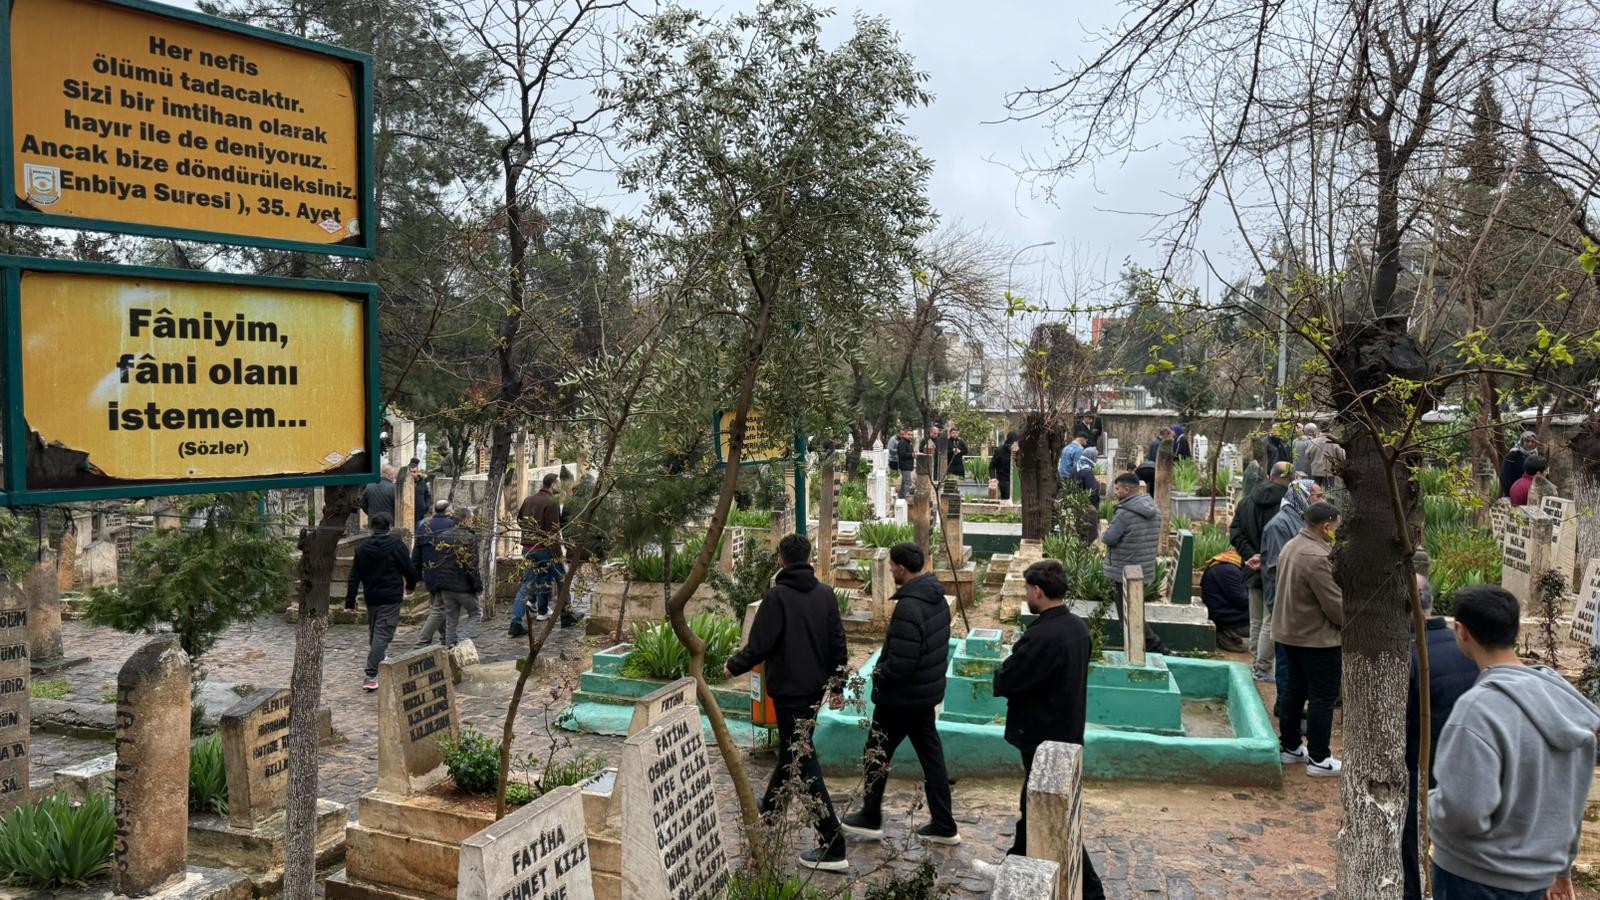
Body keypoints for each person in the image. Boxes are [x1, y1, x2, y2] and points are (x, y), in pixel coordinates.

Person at [1431, 586, 1599, 900]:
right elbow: (1571, 799)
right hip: (1536, 879)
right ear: (1518, 630)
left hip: (1474, 877)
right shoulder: (1566, 704)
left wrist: (1430, 804)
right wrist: (1562, 869)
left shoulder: (1477, 710)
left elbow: (1464, 812)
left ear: (1461, 632)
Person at [971, 560, 1105, 898]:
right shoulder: (1078, 628)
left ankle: (1091, 891)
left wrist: (1002, 672)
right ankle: (1013, 864)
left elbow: (1010, 679)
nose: (1027, 595)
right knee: (1034, 806)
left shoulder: (1043, 636)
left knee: (1048, 813)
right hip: (1067, 731)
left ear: (1038, 591)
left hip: (1042, 736)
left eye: (1028, 590)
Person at [725, 534, 850, 871]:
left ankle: (833, 843)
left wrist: (732, 666)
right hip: (813, 691)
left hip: (788, 691)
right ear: (809, 559)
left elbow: (760, 644)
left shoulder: (777, 597)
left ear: (781, 560)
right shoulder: (825, 595)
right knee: (792, 752)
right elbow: (838, 642)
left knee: (803, 761)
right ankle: (771, 812)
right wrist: (838, 687)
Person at [841, 543, 959, 846]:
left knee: (876, 753)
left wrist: (878, 675)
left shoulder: (909, 606)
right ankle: (944, 824)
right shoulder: (935, 598)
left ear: (902, 569)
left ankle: (870, 817)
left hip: (901, 698)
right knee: (932, 758)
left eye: (892, 565)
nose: (891, 570)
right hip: (924, 695)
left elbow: (902, 662)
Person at [1401, 572, 1477, 900]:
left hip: (1422, 767)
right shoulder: (1466, 649)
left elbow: (1402, 725)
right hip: (1466, 765)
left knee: (1413, 845)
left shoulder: (1407, 656)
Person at [1273, 501, 1344, 776]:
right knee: (1322, 697)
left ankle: (1290, 746)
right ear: (1327, 527)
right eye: (1337, 527)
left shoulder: (1291, 546)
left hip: (1289, 633)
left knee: (1294, 690)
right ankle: (1319, 758)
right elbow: (1336, 608)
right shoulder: (1317, 557)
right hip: (1316, 638)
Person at [1230, 461, 1293, 681]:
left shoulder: (1246, 500)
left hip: (1251, 567)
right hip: (1275, 567)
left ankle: (1257, 661)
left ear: (1269, 475)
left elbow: (1235, 532)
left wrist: (1251, 556)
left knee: (1256, 619)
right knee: (1271, 619)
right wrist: (1264, 558)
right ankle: (1263, 667)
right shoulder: (1288, 506)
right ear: (1291, 479)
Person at [344, 513, 420, 692]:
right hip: (391, 595)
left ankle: (379, 657)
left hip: (372, 595)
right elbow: (409, 569)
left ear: (371, 527)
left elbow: (354, 577)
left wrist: (350, 601)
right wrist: (410, 586)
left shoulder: (362, 549)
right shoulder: (397, 546)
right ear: (390, 526)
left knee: (375, 630)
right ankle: (371, 674)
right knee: (383, 633)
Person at [1260, 479, 1323, 687]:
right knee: (1285, 658)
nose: (1321, 501)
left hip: (1294, 600)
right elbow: (1278, 567)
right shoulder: (1280, 524)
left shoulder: (1299, 520)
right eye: (1317, 496)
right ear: (1302, 497)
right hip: (1285, 599)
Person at [1101, 472, 1168, 653]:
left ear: (1126, 489)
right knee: (1135, 611)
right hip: (1144, 569)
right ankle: (1145, 648)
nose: (1115, 492)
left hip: (1123, 571)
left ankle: (1155, 647)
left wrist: (1105, 532)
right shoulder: (1154, 510)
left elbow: (1109, 538)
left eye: (1117, 489)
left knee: (1129, 615)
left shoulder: (1124, 514)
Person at [513, 473, 576, 632]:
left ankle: (515, 623)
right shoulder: (552, 502)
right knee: (562, 580)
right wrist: (558, 554)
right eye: (558, 484)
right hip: (545, 549)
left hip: (528, 548)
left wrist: (530, 535)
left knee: (527, 585)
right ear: (553, 485)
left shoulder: (528, 500)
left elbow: (520, 520)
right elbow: (553, 532)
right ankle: (567, 615)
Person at [430, 507, 483, 648]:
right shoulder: (469, 538)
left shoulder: (442, 536)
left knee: (451, 621)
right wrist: (478, 586)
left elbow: (438, 562)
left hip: (445, 585)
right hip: (462, 586)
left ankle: (450, 648)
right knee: (476, 614)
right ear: (466, 520)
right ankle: (460, 641)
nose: (472, 522)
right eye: (471, 519)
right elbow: (471, 566)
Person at [411, 500, 454, 647]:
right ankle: (423, 641)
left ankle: (446, 639)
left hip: (430, 573)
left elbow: (416, 554)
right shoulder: (452, 525)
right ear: (449, 510)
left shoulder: (423, 526)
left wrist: (417, 577)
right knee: (440, 608)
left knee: (439, 605)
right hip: (447, 574)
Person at [1199, 549, 1251, 653]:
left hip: (1223, 612)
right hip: (1224, 618)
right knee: (1263, 619)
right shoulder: (1229, 570)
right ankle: (1226, 634)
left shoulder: (1227, 563)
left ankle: (1230, 634)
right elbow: (1243, 600)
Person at [1499, 431, 1537, 501]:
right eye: (1527, 441)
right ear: (1522, 441)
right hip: (1515, 493)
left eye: (1532, 441)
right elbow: (1505, 476)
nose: (1530, 444)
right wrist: (1510, 493)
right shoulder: (1513, 455)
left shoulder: (1536, 457)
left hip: (1531, 495)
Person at [990, 432, 1017, 501]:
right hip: (1003, 480)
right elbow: (992, 466)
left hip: (1016, 480)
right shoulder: (1000, 451)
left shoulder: (1019, 451)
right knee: (1006, 494)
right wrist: (993, 478)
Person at [409, 459, 432, 526]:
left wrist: (426, 506)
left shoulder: (422, 482)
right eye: (411, 472)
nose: (413, 474)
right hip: (408, 514)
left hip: (420, 514)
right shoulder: (405, 483)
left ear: (418, 472)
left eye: (414, 472)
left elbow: (427, 495)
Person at [896, 427, 916, 499]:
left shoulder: (908, 443)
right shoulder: (902, 443)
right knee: (908, 482)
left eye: (911, 435)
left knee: (904, 482)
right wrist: (912, 455)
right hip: (904, 466)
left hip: (908, 465)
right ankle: (905, 498)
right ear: (904, 434)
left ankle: (900, 498)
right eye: (908, 434)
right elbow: (902, 454)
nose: (910, 436)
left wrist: (913, 454)